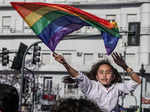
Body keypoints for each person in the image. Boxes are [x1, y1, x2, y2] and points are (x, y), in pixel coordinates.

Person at [53, 52, 141, 112]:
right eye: (101, 72)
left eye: (108, 73)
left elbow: (137, 80)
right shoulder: (91, 86)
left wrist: (125, 66)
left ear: (113, 76)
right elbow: (77, 76)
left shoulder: (118, 87)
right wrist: (65, 63)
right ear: (96, 77)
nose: (104, 75)